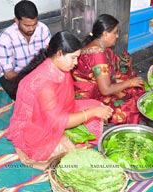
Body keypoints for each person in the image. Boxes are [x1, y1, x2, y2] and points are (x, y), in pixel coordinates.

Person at [6, 31, 113, 170]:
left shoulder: (59, 66)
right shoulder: (44, 83)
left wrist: (94, 110)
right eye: (74, 58)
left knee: (98, 105)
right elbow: (57, 121)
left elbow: (65, 99)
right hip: (36, 127)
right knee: (69, 154)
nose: (76, 63)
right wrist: (91, 113)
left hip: (56, 110)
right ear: (59, 53)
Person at [72, 14, 145, 125]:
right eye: (115, 32)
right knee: (132, 107)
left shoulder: (96, 46)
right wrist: (129, 82)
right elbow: (105, 90)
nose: (117, 36)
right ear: (105, 34)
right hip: (91, 95)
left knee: (133, 88)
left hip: (97, 85)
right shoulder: (98, 54)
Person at [0, 0, 51, 100]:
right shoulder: (5, 40)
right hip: (15, 77)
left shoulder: (43, 29)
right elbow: (9, 74)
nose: (32, 29)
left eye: (34, 24)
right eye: (27, 25)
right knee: (21, 92)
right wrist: (31, 83)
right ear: (16, 21)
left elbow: (50, 57)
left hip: (37, 73)